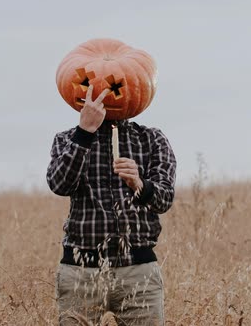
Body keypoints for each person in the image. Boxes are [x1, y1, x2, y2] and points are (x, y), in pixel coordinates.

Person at [47, 84, 176, 325]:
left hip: (138, 271)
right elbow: (59, 184)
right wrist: (84, 132)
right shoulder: (66, 139)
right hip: (80, 271)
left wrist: (139, 184)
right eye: (92, 85)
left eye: (116, 86)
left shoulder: (151, 139)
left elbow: (165, 198)